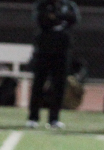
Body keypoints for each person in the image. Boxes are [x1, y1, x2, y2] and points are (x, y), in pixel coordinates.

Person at [27, 0, 80, 129]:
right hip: (43, 50)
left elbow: (74, 19)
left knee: (59, 86)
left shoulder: (68, 5)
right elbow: (42, 21)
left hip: (62, 51)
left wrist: (56, 17)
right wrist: (60, 18)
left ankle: (54, 118)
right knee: (38, 84)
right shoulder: (42, 4)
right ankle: (33, 117)